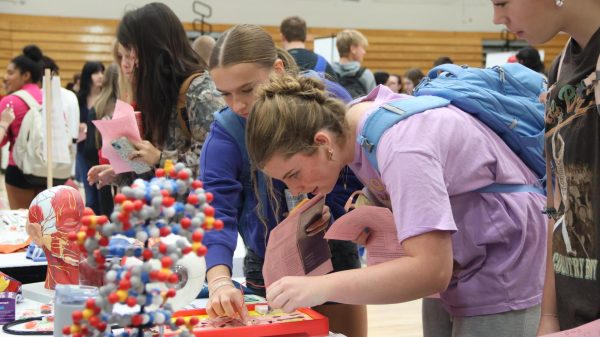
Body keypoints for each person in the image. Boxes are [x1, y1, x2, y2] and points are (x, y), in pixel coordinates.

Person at [245, 74, 548, 337]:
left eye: (293, 175)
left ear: (323, 142)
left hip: (502, 257)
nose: (295, 189)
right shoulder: (354, 126)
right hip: (463, 251)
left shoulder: (402, 145)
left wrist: (321, 288)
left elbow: (430, 270)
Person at [201, 24, 366, 337]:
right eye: (225, 94)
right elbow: (216, 212)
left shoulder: (323, 100)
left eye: (247, 90)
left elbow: (355, 172)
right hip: (268, 268)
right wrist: (220, 281)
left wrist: (337, 212)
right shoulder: (226, 132)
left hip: (334, 256)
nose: (237, 105)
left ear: (277, 70)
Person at [492, 0, 600, 334]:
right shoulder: (561, 67)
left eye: (502, 2)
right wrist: (549, 317)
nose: (498, 18)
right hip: (574, 309)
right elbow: (558, 208)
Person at [87, 2, 224, 188]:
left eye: (133, 55)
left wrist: (160, 159)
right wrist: (121, 173)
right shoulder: (158, 92)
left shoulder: (200, 91)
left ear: (153, 50)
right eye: (125, 57)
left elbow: (216, 164)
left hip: (196, 213)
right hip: (163, 209)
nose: (131, 65)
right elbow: (154, 166)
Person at [0, 45, 45, 209]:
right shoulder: (48, 97)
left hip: (19, 170)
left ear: (26, 75)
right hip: (49, 168)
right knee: (43, 224)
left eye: (11, 73)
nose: (6, 77)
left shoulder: (10, 101)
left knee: (21, 223)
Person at [76, 61, 105, 214]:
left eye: (102, 72)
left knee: (102, 193)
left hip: (101, 150)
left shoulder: (106, 98)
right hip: (83, 149)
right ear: (88, 75)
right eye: (96, 72)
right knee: (90, 193)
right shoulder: (79, 98)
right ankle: (90, 225)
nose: (100, 76)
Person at [332, 29, 376, 98]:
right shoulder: (365, 75)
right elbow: (374, 104)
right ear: (353, 49)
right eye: (363, 48)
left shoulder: (328, 71)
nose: (364, 52)